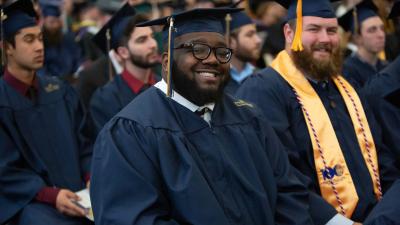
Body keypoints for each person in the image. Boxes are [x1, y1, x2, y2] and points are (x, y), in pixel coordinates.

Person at [90, 7, 315, 225]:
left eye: (221, 52)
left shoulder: (250, 117)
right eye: (198, 49)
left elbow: (288, 194)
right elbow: (132, 218)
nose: (212, 59)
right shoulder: (131, 131)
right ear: (167, 63)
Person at [236, 0, 400, 224]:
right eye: (313, 29)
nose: (325, 39)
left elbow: (381, 158)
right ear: (288, 32)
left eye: (332, 30)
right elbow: (281, 176)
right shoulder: (263, 91)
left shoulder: (348, 90)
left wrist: (389, 211)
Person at [0, 1, 92, 224]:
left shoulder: (59, 91)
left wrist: (91, 176)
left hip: (81, 196)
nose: (39, 47)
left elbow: (86, 142)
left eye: (40, 38)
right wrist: (50, 195)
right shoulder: (3, 102)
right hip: (32, 203)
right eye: (29, 40)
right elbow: (5, 170)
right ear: (7, 48)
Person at [89, 4, 159, 135]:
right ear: (123, 52)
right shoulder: (106, 98)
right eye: (142, 40)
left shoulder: (165, 87)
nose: (153, 44)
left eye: (152, 36)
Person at [339, 0, 387, 87]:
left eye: (382, 28)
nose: (381, 35)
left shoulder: (386, 66)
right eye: (372, 30)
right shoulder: (347, 71)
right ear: (357, 38)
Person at [225, 11, 261, 95]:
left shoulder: (262, 78)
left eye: (256, 34)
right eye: (250, 35)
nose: (258, 40)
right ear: (231, 41)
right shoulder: (217, 79)